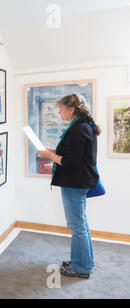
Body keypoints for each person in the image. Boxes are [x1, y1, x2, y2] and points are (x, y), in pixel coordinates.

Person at [37, 93, 100, 279]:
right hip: (80, 181)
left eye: (62, 109)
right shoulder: (83, 126)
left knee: (77, 225)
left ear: (72, 110)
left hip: (75, 182)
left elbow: (71, 162)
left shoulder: (78, 129)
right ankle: (83, 262)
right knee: (81, 224)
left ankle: (81, 267)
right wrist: (54, 151)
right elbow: (75, 153)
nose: (59, 112)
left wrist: (49, 156)